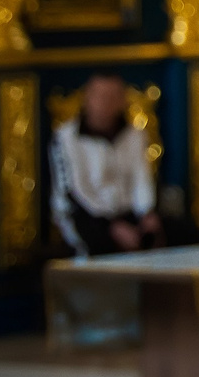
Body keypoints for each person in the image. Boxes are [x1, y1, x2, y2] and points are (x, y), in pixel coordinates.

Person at [50, 75, 161, 257]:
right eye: (101, 97)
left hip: (127, 212)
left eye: (113, 97)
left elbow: (142, 178)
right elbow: (75, 190)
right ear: (87, 99)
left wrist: (147, 213)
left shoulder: (134, 135)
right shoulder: (66, 138)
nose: (106, 103)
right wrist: (111, 226)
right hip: (85, 216)